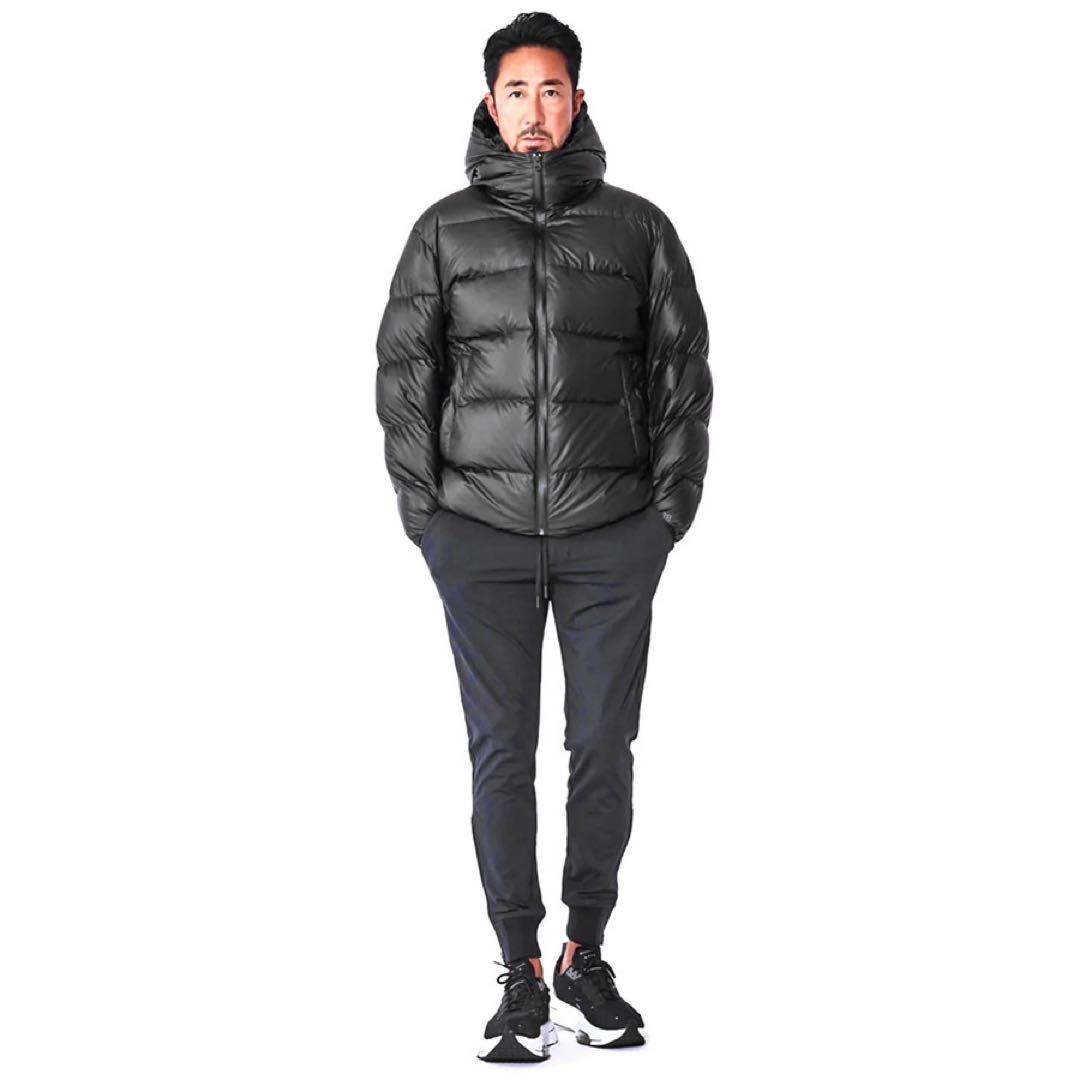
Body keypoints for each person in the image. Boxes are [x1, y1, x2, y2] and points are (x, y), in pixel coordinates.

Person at [375, 12, 712, 1062]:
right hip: (478, 537)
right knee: (501, 751)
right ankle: (518, 969)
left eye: (552, 89)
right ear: (490, 103)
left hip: (613, 536)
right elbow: (405, 377)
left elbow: (682, 375)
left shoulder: (638, 228)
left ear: (578, 100)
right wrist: (428, 517)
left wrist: (666, 516)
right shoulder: (443, 232)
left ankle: (585, 953)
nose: (534, 110)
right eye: (516, 91)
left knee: (603, 745)